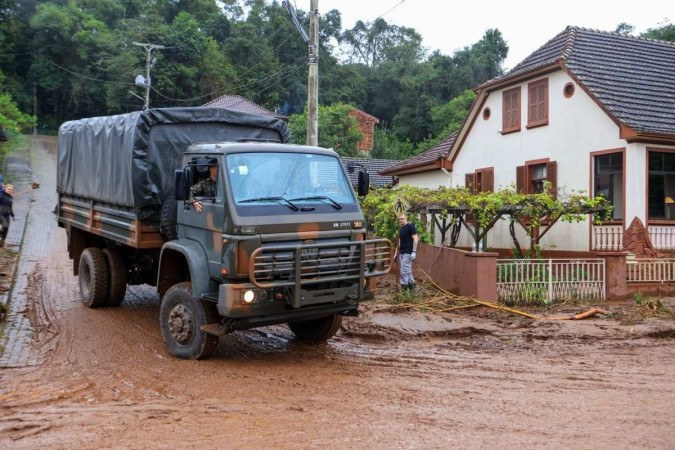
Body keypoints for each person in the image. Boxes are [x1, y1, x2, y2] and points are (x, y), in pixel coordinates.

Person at [396, 213, 419, 292]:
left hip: (408, 252)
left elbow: (415, 239)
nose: (400, 220)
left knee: (403, 271)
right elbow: (399, 242)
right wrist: (396, 253)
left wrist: (414, 251)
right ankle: (412, 287)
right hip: (402, 251)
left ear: (406, 218)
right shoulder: (402, 229)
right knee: (407, 271)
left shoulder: (410, 226)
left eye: (402, 219)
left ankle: (404, 288)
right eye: (399, 219)